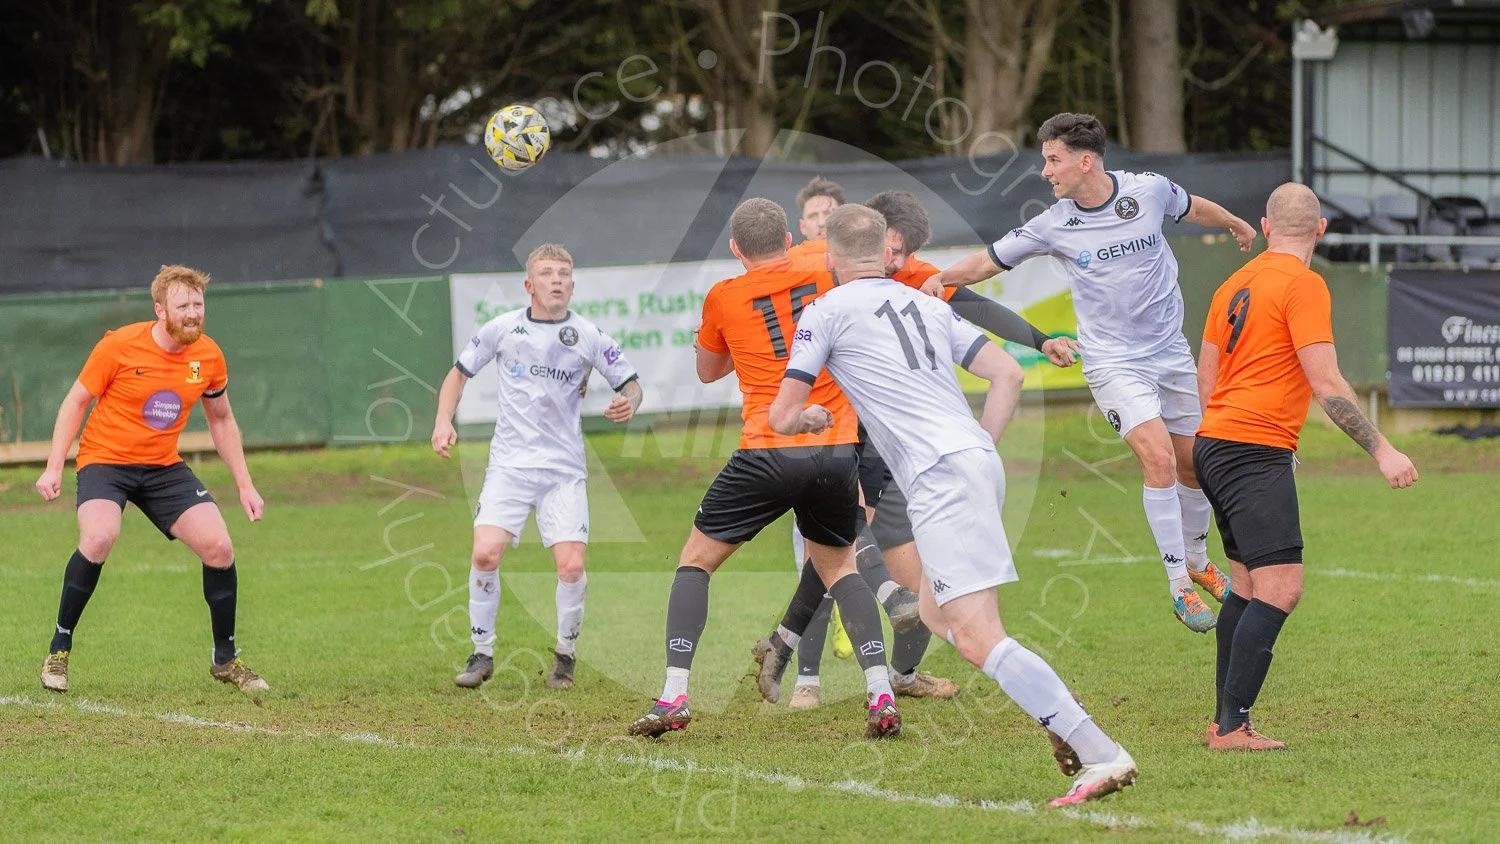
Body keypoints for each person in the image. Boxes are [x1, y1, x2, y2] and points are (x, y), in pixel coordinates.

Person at [769, 204, 1137, 807]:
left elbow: (784, 414)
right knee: (940, 618)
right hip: (970, 462)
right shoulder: (926, 302)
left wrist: (809, 418)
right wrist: (976, 451)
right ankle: (1059, 724)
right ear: (886, 252)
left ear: (831, 258)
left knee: (973, 635)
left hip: (942, 476)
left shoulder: (824, 310)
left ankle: (1099, 750)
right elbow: (1007, 377)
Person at [924, 112, 1256, 633]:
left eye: (1052, 160)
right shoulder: (1053, 223)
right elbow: (990, 262)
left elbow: (1192, 208)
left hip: (1170, 354)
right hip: (1112, 362)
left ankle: (1197, 558)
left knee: (1195, 467)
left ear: (1085, 162)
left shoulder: (1147, 192)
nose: (1045, 172)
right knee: (1159, 459)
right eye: (1043, 162)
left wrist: (1235, 222)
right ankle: (1179, 588)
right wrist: (940, 278)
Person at [628, 198, 901, 741]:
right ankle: (881, 693)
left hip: (766, 447)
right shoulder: (823, 264)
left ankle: (675, 693)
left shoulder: (724, 295)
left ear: (735, 249)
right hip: (834, 446)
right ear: (789, 237)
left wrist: (736, 338)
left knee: (695, 562)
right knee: (841, 570)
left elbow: (707, 372)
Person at [1194, 183, 1416, 750]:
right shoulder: (1305, 284)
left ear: (1266, 229)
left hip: (1216, 441)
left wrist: (1213, 439)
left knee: (1245, 582)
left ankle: (1223, 720)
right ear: (1319, 231)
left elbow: (1206, 379)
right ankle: (1232, 726)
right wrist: (1383, 450)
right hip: (1253, 448)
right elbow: (1328, 384)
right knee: (1282, 587)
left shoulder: (1232, 284)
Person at [35, 265, 268, 694]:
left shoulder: (208, 356)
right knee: (100, 536)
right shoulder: (119, 346)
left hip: (162, 467)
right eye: (184, 306)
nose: (193, 313)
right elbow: (76, 402)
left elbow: (222, 420)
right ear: (160, 310)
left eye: (198, 304)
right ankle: (59, 649)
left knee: (219, 547)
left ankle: (226, 659)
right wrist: (54, 465)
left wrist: (245, 484)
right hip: (106, 461)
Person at [432, 243, 643, 691]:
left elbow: (631, 382)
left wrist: (628, 401)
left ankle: (565, 656)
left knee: (569, 567)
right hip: (509, 465)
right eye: (547, 274)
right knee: (485, 553)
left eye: (564, 274)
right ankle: (481, 652)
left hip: (563, 471)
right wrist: (442, 420)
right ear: (529, 284)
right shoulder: (503, 328)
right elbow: (458, 374)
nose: (557, 281)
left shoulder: (588, 335)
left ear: (573, 283)